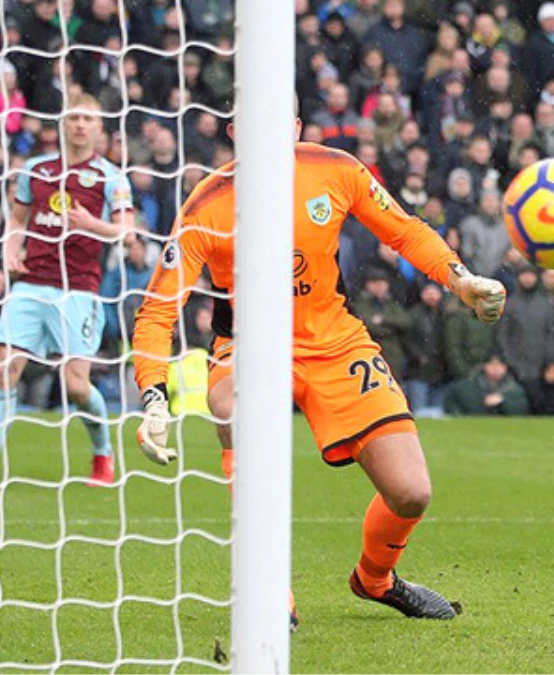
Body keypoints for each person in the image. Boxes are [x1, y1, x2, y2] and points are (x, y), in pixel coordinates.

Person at [129, 103, 507, 628]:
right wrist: (153, 395)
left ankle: (376, 580)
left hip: (335, 342)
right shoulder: (208, 204)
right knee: (229, 403)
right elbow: (157, 310)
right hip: (249, 348)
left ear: (297, 128)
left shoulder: (337, 169)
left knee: (411, 492)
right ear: (236, 131)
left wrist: (459, 279)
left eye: (281, 119)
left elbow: (404, 230)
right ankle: (268, 590)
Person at [1, 93, 134, 485]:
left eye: (87, 119)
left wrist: (93, 225)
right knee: (5, 371)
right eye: (73, 117)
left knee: (76, 386)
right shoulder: (36, 170)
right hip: (31, 284)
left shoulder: (111, 177)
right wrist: (10, 252)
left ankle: (103, 454)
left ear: (98, 128)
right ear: (63, 123)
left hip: (78, 289)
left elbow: (128, 233)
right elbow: (17, 221)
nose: (79, 124)